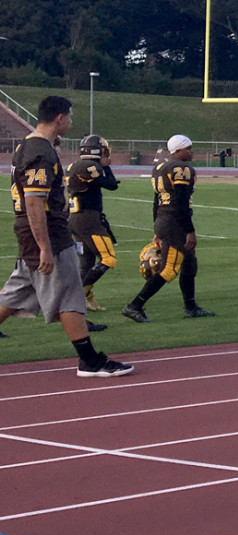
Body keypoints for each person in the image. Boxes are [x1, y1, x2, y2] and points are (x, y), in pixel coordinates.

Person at [0, 96, 133, 376]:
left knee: (12, 297)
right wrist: (45, 247)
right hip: (48, 236)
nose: (71, 122)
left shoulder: (28, 145)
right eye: (69, 117)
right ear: (59, 118)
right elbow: (34, 201)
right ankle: (90, 361)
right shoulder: (39, 150)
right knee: (70, 297)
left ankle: (90, 360)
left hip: (34, 234)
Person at [122, 134, 215, 322]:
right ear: (178, 150)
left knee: (189, 265)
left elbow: (156, 200)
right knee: (169, 270)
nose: (191, 152)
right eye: (188, 148)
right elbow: (181, 202)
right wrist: (190, 230)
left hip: (164, 218)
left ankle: (190, 307)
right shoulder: (181, 168)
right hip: (175, 222)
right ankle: (135, 305)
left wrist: (157, 228)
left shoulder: (160, 168)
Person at [66, 134, 119, 321]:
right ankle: (80, 295)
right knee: (108, 258)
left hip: (75, 219)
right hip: (88, 220)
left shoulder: (74, 165)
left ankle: (86, 298)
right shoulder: (91, 167)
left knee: (87, 262)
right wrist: (106, 165)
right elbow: (112, 185)